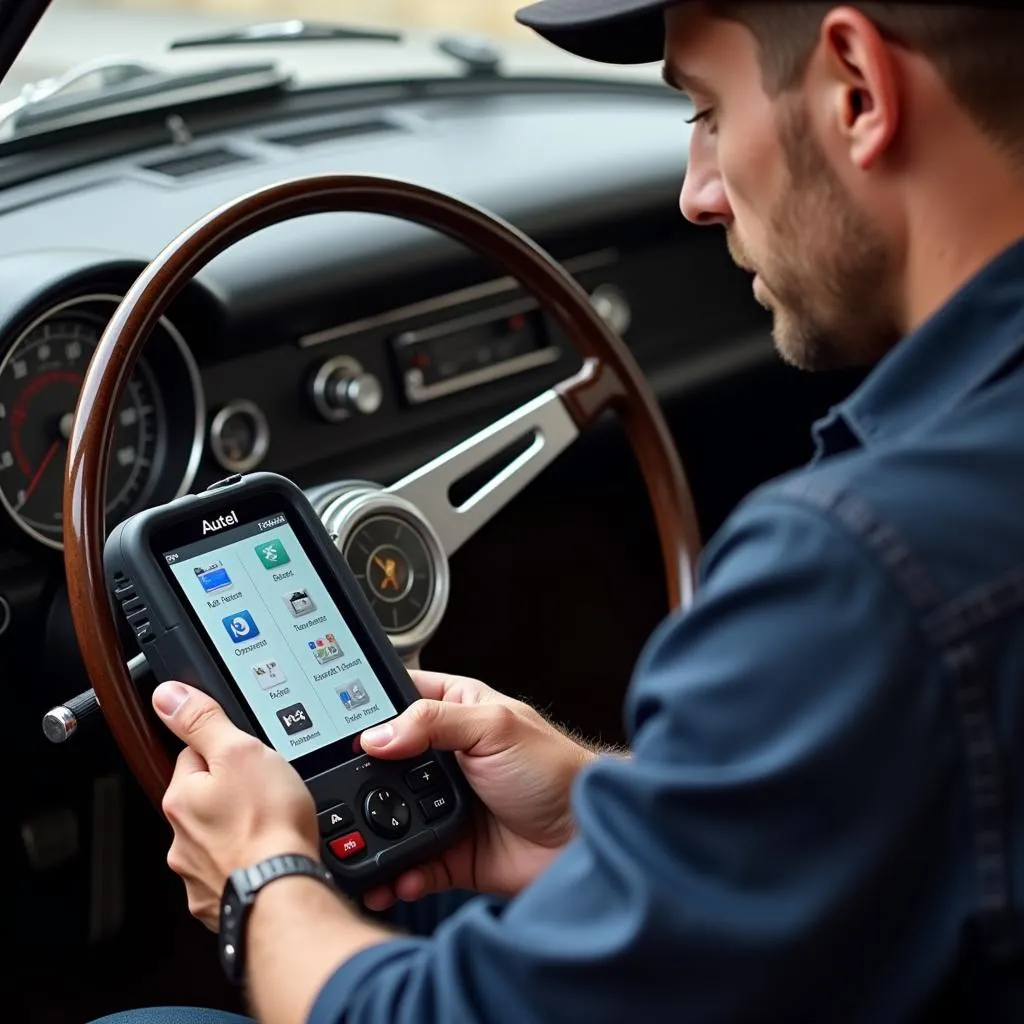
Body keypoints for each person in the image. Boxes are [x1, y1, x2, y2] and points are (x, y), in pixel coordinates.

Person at [94, 1, 1024, 1021]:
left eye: (708, 113)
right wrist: (606, 815)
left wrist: (259, 878)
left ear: (855, 87)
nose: (697, 194)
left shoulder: (860, 569)